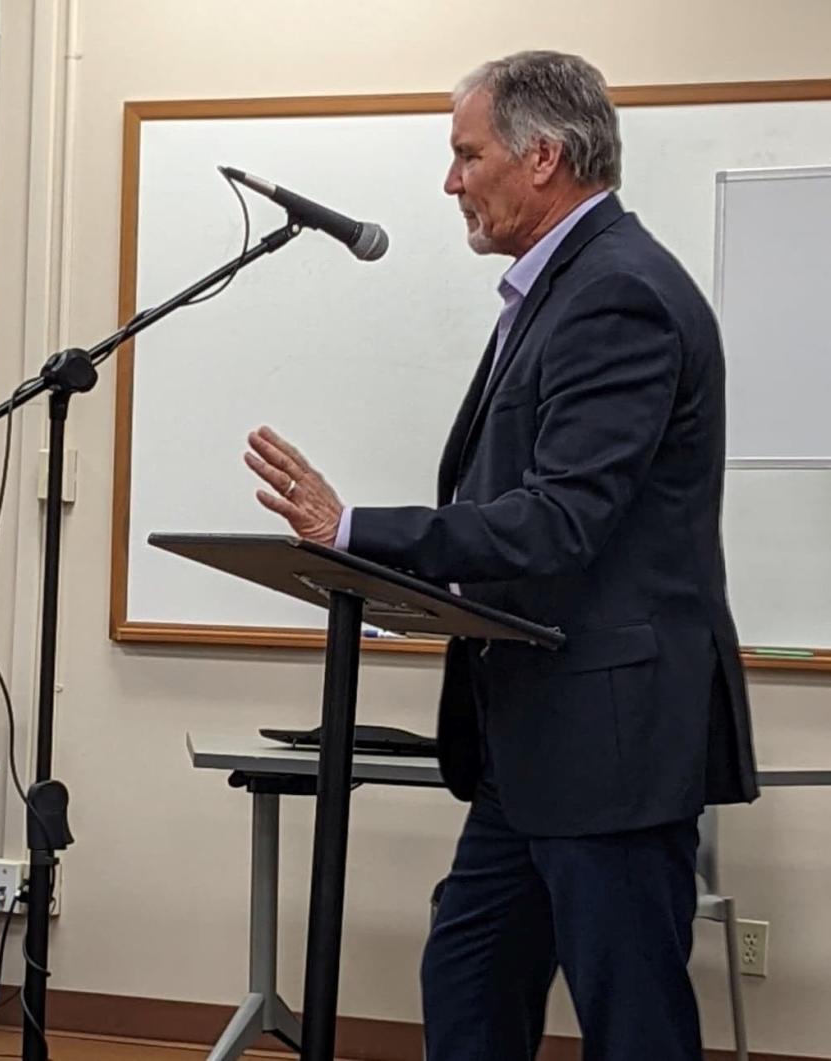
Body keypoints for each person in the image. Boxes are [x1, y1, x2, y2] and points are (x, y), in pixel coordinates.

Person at [244, 51, 757, 1061]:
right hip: (534, 740)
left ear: (543, 158)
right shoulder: (565, 284)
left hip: (605, 740)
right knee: (469, 974)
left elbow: (558, 521)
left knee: (634, 1019)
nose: (450, 182)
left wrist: (355, 533)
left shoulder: (620, 294)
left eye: (465, 154)